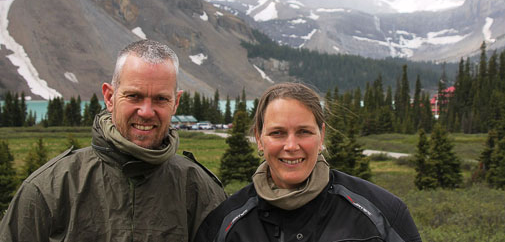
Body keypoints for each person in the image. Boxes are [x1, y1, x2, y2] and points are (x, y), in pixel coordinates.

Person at [0, 39, 227, 241]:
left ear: (175, 103)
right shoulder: (49, 188)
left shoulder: (201, 190)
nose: (146, 111)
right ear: (109, 97)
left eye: (160, 99)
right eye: (134, 96)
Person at [195, 82, 422, 242]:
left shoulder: (383, 213)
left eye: (304, 131)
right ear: (259, 138)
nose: (291, 146)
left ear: (321, 136)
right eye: (277, 133)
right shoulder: (225, 223)